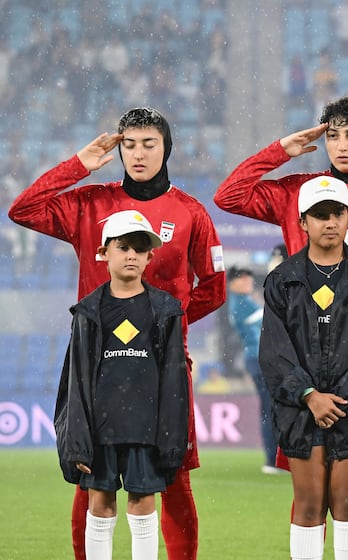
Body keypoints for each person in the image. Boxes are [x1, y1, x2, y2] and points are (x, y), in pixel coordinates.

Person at [214, 96, 348, 560]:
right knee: (310, 487)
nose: (341, 144)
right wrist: (281, 151)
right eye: (332, 135)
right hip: (304, 363)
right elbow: (229, 195)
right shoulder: (299, 190)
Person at [8, 106, 225, 560]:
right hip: (97, 363)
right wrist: (77, 166)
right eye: (129, 145)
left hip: (163, 365)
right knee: (90, 477)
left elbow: (215, 287)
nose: (138, 154)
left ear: (167, 148)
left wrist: (166, 328)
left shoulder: (190, 212)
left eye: (149, 144)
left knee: (174, 476)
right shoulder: (89, 203)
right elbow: (22, 209)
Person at [259, 176, 348, 560]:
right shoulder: (282, 280)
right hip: (300, 409)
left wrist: (339, 399)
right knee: (308, 503)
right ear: (302, 222)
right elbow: (274, 351)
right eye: (319, 215)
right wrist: (309, 396)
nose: (330, 222)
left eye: (337, 212)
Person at [54, 210, 188, 560]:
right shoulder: (87, 312)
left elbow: (175, 382)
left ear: (149, 257)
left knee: (143, 503)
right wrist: (77, 440)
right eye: (123, 246)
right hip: (101, 430)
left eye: (139, 248)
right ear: (104, 252)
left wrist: (172, 438)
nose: (131, 254)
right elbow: (76, 381)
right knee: (99, 503)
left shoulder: (165, 310)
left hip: (146, 429)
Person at [227, 266, 279, 474]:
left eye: (249, 278)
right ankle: (272, 459)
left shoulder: (241, 302)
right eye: (243, 279)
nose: (248, 282)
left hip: (256, 358)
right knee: (270, 408)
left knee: (269, 407)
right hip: (260, 359)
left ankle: (274, 458)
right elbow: (272, 319)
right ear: (232, 283)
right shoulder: (241, 304)